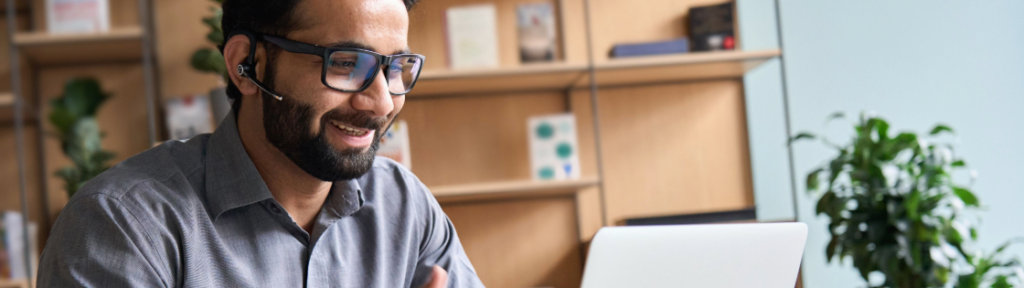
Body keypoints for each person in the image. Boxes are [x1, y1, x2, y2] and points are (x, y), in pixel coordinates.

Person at [37, 0, 485, 287]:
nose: (382, 101)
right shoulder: (123, 225)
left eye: (396, 68)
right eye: (347, 63)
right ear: (245, 65)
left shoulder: (404, 207)